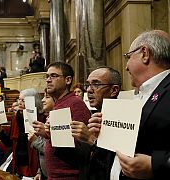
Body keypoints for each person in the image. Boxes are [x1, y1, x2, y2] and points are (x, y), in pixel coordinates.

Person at [88, 30, 170, 180]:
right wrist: (102, 135)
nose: (126, 67)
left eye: (128, 57)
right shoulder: (139, 95)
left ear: (145, 53)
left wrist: (155, 165)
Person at [70, 67, 122, 180]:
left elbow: (116, 166)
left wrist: (91, 140)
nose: (89, 90)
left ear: (114, 90)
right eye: (88, 84)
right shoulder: (93, 116)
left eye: (96, 84)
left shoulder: (123, 121)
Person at [41, 62, 91, 180]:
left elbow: (84, 147)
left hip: (69, 176)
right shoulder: (60, 103)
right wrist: (47, 134)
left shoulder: (75, 104)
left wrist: (52, 134)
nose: (48, 80)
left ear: (68, 80)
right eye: (47, 76)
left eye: (53, 76)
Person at [0, 88, 42, 177]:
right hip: (18, 164)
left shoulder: (40, 118)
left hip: (35, 166)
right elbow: (9, 144)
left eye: (23, 100)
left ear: (33, 101)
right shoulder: (15, 118)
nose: (19, 103)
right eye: (19, 99)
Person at [29, 88, 55, 180]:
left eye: (47, 97)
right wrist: (40, 171)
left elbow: (54, 151)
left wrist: (35, 141)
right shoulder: (47, 117)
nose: (43, 100)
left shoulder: (57, 119)